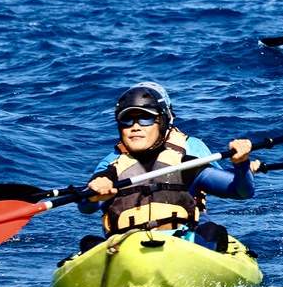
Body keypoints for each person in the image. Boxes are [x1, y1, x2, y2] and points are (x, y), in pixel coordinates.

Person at [77, 82, 257, 253]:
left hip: (181, 242)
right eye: (127, 120)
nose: (135, 127)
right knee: (88, 243)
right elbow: (86, 207)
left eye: (146, 118)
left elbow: (242, 192)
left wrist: (242, 165)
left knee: (212, 232)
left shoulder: (187, 162)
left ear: (162, 122)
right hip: (125, 247)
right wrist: (93, 196)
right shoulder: (111, 167)